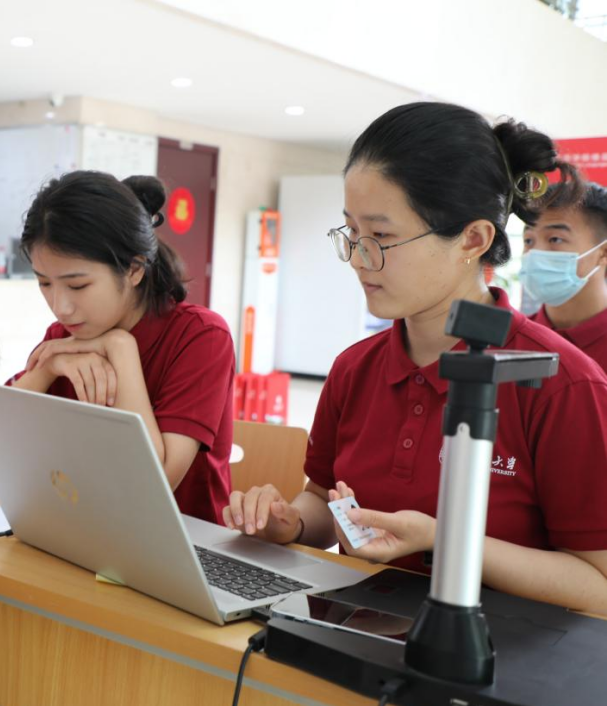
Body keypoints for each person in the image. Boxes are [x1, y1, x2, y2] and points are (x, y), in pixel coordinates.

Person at [224, 102, 607, 613]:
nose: (359, 258)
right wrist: (288, 523)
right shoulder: (354, 369)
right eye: (352, 232)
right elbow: (321, 500)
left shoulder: (562, 384)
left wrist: (443, 540)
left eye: (381, 236)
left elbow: (598, 586)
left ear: (473, 239)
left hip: (496, 651)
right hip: (357, 631)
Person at [0, 171, 236, 524]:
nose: (61, 307)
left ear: (134, 269)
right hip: (85, 526)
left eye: (77, 286)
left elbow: (152, 487)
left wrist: (120, 348)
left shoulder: (201, 337)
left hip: (183, 537)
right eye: (44, 283)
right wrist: (45, 370)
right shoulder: (62, 339)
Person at [523, 182, 607, 373]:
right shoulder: (510, 341)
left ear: (603, 253)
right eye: (528, 240)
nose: (535, 252)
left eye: (555, 239)